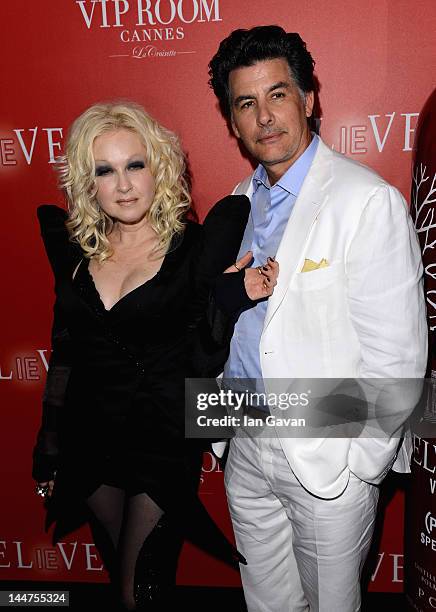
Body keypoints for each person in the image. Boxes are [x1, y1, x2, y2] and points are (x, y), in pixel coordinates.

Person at [208, 25, 427, 612]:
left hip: (329, 455)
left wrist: (363, 466)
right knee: (265, 601)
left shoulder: (365, 200)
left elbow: (398, 355)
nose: (264, 117)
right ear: (231, 120)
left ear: (308, 100)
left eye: (278, 94)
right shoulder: (235, 204)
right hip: (244, 439)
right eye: (245, 103)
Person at [31, 101, 278, 610]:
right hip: (90, 438)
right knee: (117, 571)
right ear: (88, 182)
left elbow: (201, 354)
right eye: (106, 171)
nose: (123, 185)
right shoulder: (78, 255)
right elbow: (66, 357)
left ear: (157, 168)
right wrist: (50, 450)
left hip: (161, 440)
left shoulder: (191, 250)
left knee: (142, 587)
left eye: (134, 165)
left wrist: (229, 300)